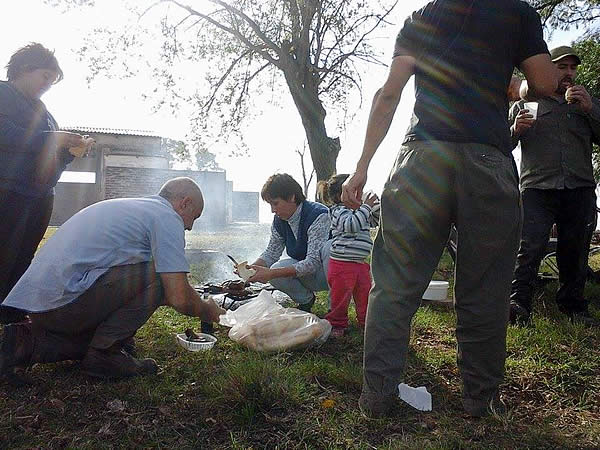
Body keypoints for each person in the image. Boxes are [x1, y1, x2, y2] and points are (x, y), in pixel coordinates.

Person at [342, 0, 558, 418]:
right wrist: (516, 84)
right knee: (486, 288)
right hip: (487, 161)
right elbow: (547, 83)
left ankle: (377, 398)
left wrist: (361, 168)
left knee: (394, 287)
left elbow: (389, 95)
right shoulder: (515, 12)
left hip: (421, 161)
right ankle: (481, 400)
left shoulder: (420, 19)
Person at [0, 177, 225, 383]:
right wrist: (209, 311)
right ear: (184, 203)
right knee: (159, 274)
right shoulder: (167, 217)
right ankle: (105, 354)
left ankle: (25, 343)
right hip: (62, 305)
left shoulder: (136, 208)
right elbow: (178, 296)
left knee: (155, 282)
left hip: (42, 306)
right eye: (194, 217)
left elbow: (138, 283)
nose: (190, 226)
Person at [509, 46, 600, 326]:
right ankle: (518, 305)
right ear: (549, 70)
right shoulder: (525, 104)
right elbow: (501, 145)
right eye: (562, 68)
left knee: (576, 250)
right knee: (529, 248)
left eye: (573, 68)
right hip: (537, 187)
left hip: (580, 187)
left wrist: (591, 110)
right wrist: (514, 130)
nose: (569, 73)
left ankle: (573, 307)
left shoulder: (588, 103)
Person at [0, 43, 88, 324]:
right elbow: (6, 134)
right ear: (24, 70)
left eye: (52, 80)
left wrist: (68, 153)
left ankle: (10, 311)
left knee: (24, 255)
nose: (48, 85)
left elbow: (48, 156)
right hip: (7, 189)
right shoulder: (3, 93)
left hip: (38, 195)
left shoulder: (45, 112)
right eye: (45, 76)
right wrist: (52, 139)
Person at [248, 173, 331, 312]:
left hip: (327, 273)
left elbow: (313, 263)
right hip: (307, 273)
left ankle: (335, 309)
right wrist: (250, 269)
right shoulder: (279, 221)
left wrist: (270, 274)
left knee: (329, 248)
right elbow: (271, 253)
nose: (273, 210)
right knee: (275, 268)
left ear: (292, 197)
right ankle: (306, 300)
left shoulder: (318, 215)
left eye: (275, 203)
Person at [318, 174, 379, 337]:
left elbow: (375, 221)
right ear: (342, 194)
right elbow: (351, 226)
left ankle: (366, 322)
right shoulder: (338, 211)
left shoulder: (359, 211)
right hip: (342, 264)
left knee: (365, 294)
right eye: (356, 191)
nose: (360, 195)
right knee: (340, 297)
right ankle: (337, 324)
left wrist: (375, 207)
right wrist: (366, 207)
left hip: (360, 263)